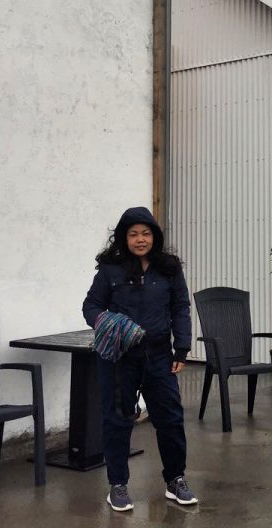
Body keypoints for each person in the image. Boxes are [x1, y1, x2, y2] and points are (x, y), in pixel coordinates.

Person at [82, 206, 198, 512]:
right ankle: (117, 485)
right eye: (133, 234)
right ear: (123, 238)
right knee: (117, 421)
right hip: (120, 357)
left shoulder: (169, 269)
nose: (140, 239)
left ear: (155, 237)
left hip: (159, 355)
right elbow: (91, 306)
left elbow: (180, 308)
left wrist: (182, 349)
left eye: (145, 233)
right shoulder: (111, 269)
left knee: (170, 419)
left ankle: (175, 480)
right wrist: (112, 324)